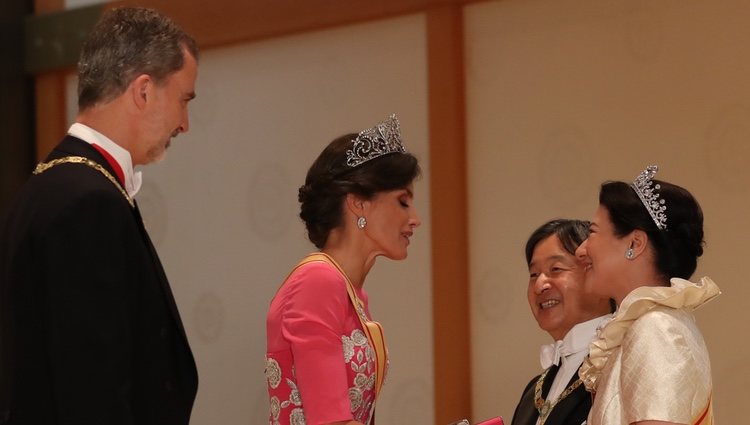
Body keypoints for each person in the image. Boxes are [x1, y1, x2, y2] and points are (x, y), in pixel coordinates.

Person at [0, 7, 199, 424]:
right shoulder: (86, 202)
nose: (184, 124)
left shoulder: (49, 187)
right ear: (143, 91)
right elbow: (93, 387)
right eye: (183, 100)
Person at [265, 114, 421, 425]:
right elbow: (330, 421)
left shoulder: (353, 292)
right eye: (403, 202)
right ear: (359, 204)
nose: (415, 218)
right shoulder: (317, 281)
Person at [575, 165, 720, 425]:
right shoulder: (647, 326)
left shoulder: (658, 328)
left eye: (593, 232)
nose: (581, 250)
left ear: (634, 244)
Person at [511, 219, 612, 425]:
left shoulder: (620, 366)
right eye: (533, 274)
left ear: (597, 273)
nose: (540, 284)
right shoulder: (533, 391)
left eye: (555, 269)